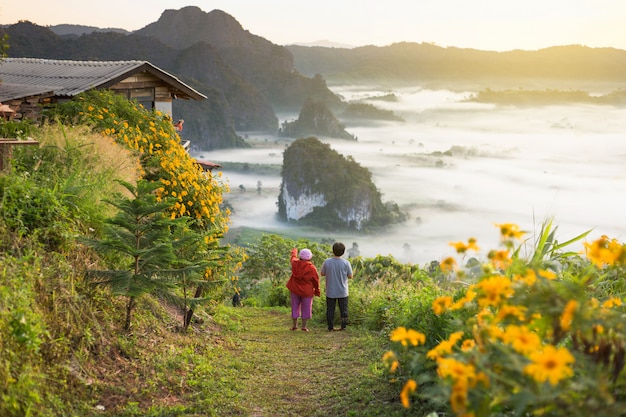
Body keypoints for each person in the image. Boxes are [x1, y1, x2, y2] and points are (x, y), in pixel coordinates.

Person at [286, 248, 320, 332]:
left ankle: (294, 325)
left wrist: (294, 251)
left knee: (295, 306)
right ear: (310, 257)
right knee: (306, 308)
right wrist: (317, 290)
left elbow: (293, 257)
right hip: (307, 291)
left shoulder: (295, 263)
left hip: (294, 289)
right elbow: (316, 280)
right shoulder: (312, 268)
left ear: (300, 257)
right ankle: (304, 327)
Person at [321, 242, 353, 331]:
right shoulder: (346, 263)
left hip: (330, 290)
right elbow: (350, 276)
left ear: (333, 251)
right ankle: (343, 326)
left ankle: (330, 327)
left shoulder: (327, 262)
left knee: (330, 309)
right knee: (343, 309)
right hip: (343, 291)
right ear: (343, 252)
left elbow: (322, 273)